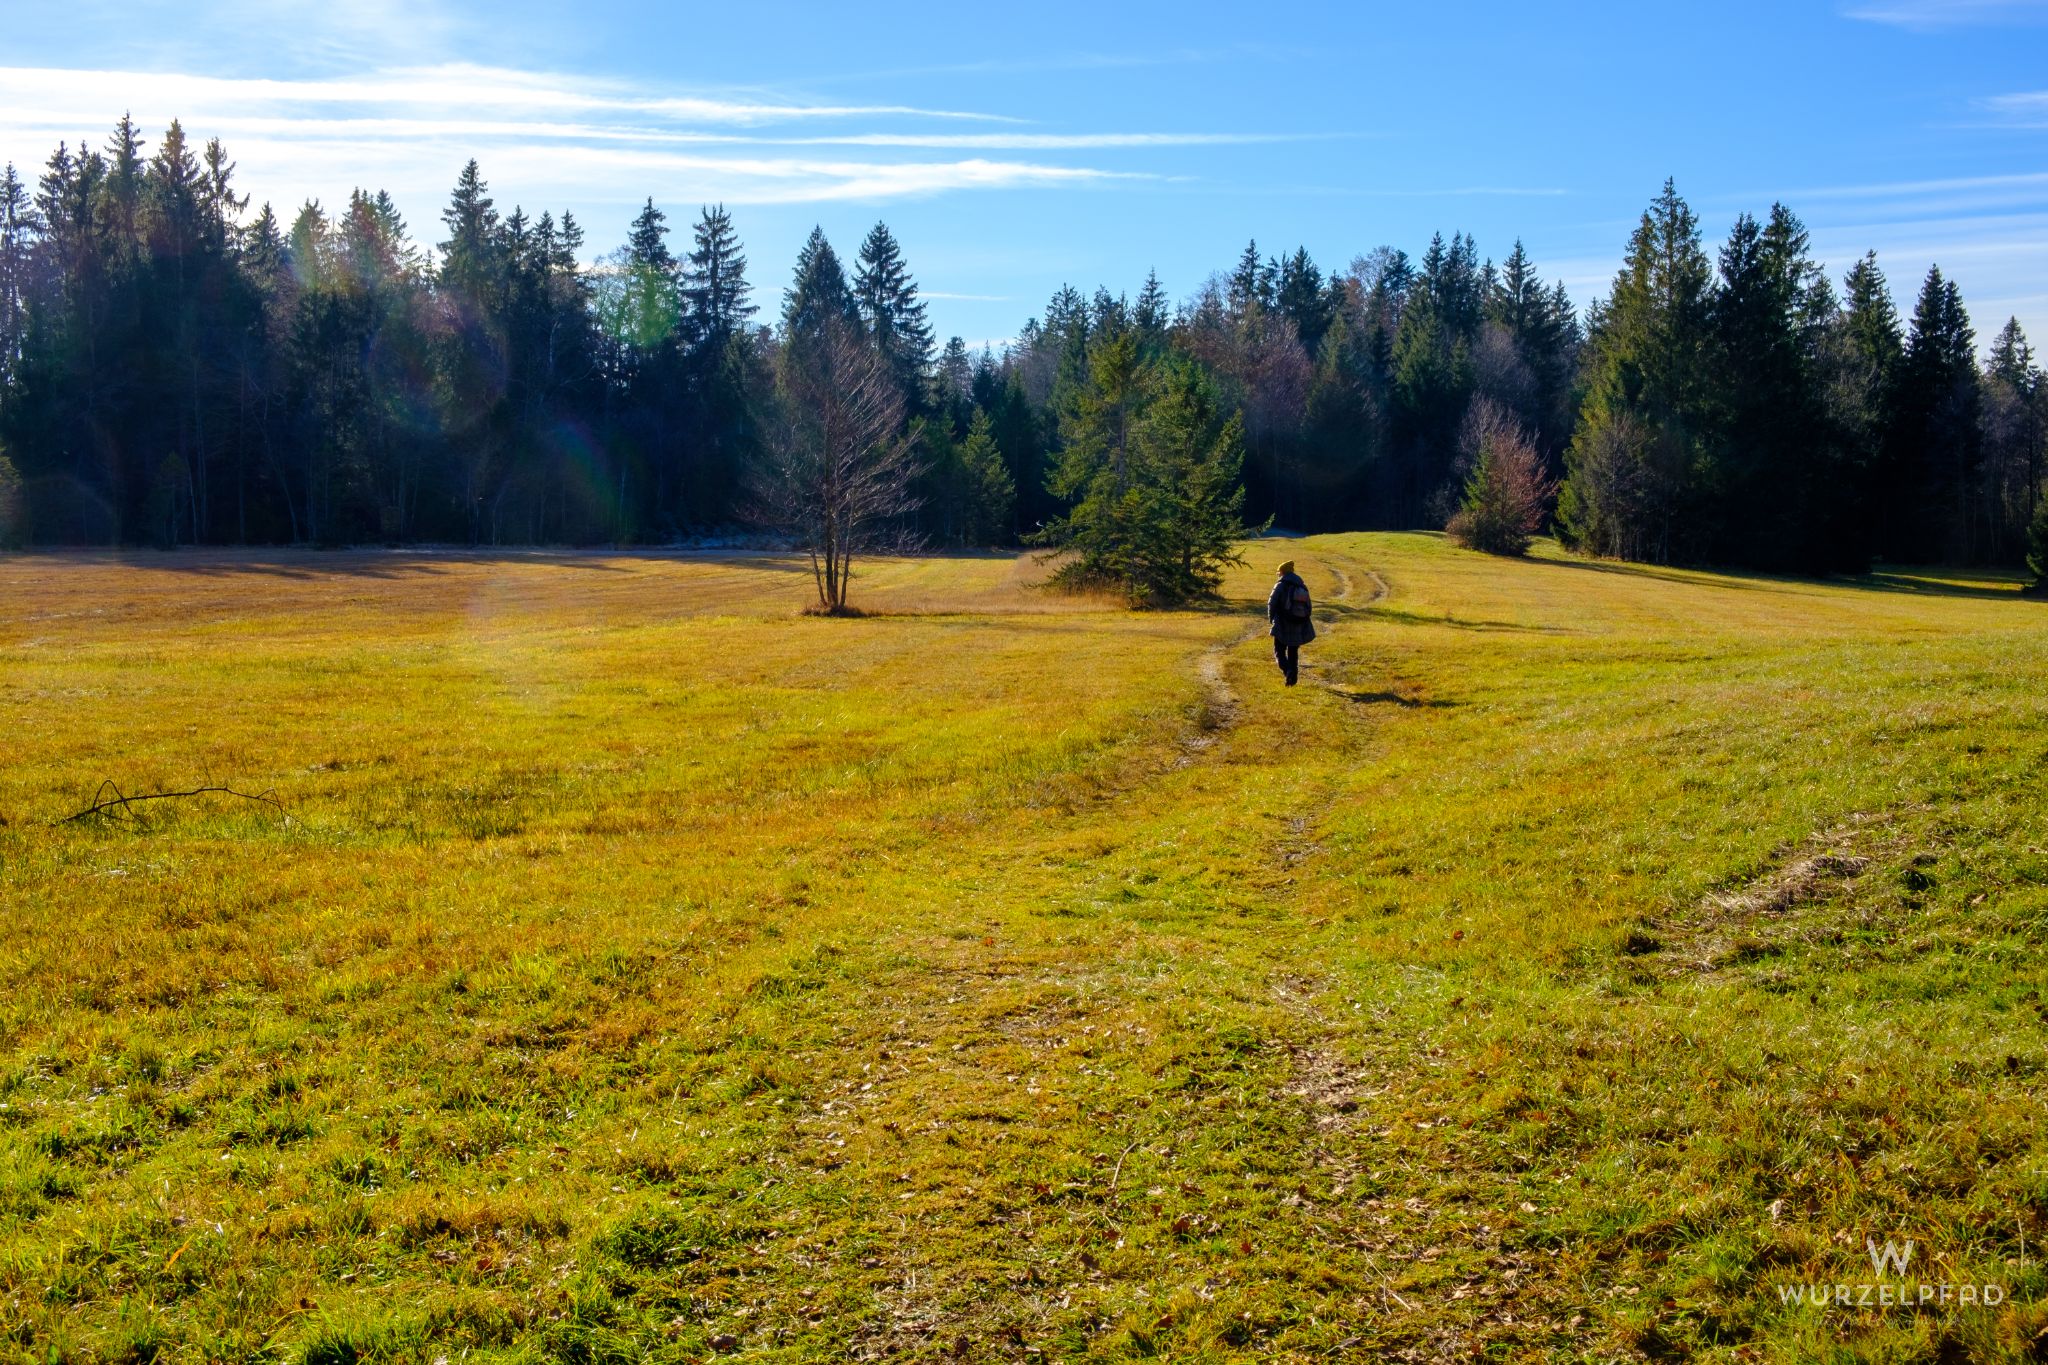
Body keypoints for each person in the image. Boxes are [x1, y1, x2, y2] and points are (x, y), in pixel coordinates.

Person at [1267, 559, 1314, 686]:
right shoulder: (1301, 585)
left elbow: (1271, 603)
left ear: (1283, 572)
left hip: (1282, 623)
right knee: (1293, 652)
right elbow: (1308, 607)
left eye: (1279, 572)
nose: (1278, 574)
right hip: (1298, 623)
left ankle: (1288, 671)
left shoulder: (1280, 585)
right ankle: (1292, 680)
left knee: (1279, 651)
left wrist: (1272, 619)